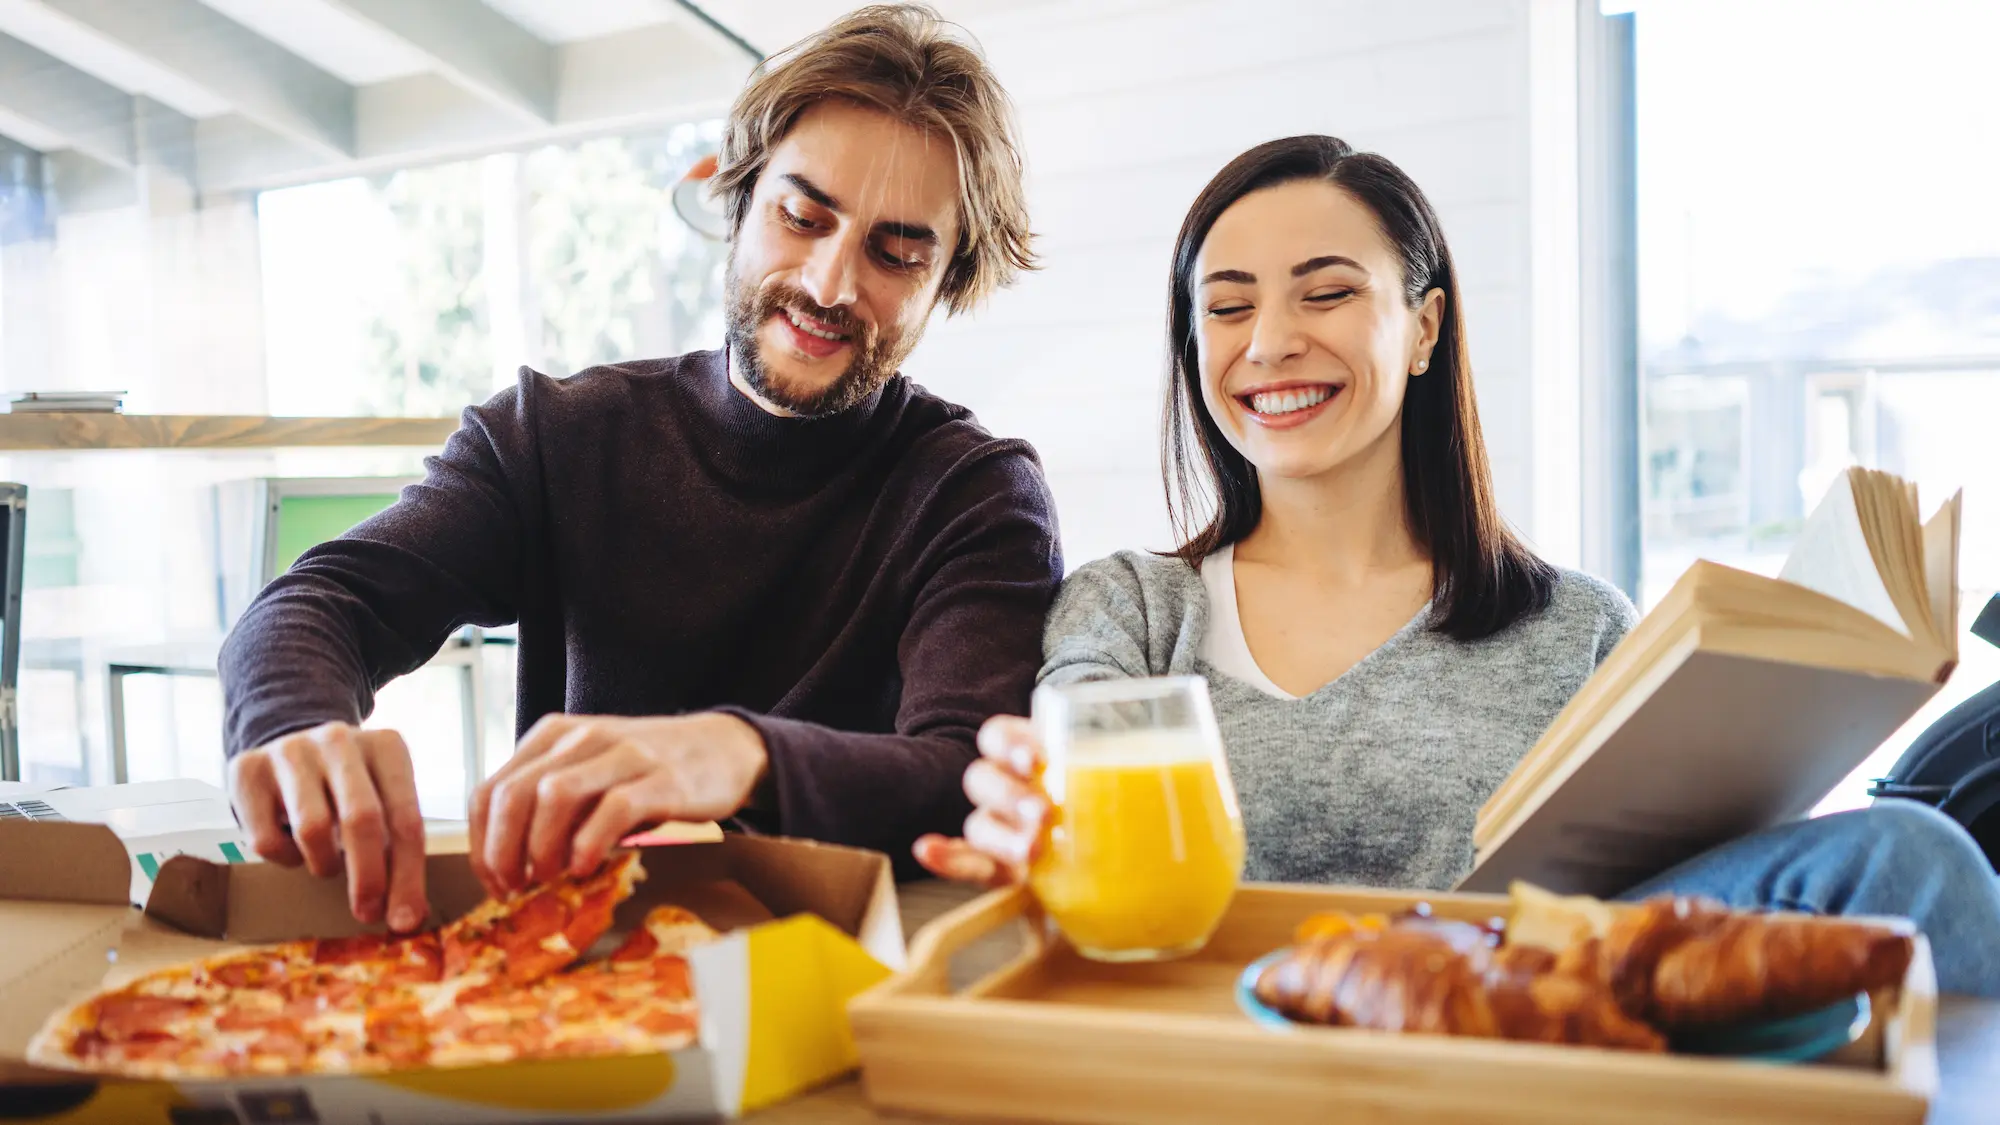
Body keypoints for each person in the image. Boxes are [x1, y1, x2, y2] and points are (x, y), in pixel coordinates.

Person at [914, 134, 2000, 997]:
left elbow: (1699, 893)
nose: (1269, 341)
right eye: (1229, 306)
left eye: (1324, 293)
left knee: (1913, 853)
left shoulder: (1579, 626)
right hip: (1240, 1025)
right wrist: (1029, 804)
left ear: (1425, 327)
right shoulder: (1130, 608)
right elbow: (1062, 762)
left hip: (1526, 1025)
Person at [220, 4, 1062, 933]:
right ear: (737, 200)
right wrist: (295, 728)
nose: (830, 285)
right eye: (801, 217)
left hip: (851, 971)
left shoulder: (974, 496)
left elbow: (969, 771)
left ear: (947, 283)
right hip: (571, 960)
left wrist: (740, 755)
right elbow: (322, 601)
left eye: (896, 254)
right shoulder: (554, 435)